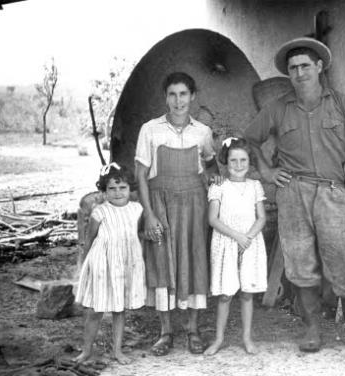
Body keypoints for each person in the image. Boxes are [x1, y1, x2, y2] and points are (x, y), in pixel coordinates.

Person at [245, 37, 345, 353]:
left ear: (319, 66)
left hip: (334, 193)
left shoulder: (342, 103)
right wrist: (268, 172)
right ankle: (311, 329)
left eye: (305, 66)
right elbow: (250, 139)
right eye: (293, 68)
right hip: (293, 193)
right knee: (300, 261)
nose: (299, 73)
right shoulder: (278, 108)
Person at [135, 72, 219, 356]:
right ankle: (165, 332)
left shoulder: (203, 132)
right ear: (165, 97)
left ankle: (193, 330)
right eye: (172, 94)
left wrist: (214, 182)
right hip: (160, 205)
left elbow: (210, 165)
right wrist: (149, 213)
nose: (178, 101)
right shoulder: (150, 129)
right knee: (163, 264)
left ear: (192, 97)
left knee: (194, 260)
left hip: (194, 205)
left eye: (183, 94)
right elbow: (141, 174)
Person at [74, 163, 146, 364]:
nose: (117, 193)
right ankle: (86, 350)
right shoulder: (99, 212)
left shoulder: (137, 209)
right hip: (102, 263)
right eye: (111, 189)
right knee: (96, 309)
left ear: (129, 189)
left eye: (122, 188)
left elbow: (136, 234)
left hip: (125, 263)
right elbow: (90, 240)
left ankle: (117, 350)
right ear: (104, 191)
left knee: (119, 308)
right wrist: (85, 265)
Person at [204, 137, 267, 356]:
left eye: (243, 160)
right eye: (233, 161)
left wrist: (247, 238)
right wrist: (236, 236)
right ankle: (219, 338)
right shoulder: (219, 185)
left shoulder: (254, 186)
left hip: (250, 243)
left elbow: (261, 218)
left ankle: (247, 338)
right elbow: (213, 219)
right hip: (226, 242)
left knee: (247, 293)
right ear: (225, 161)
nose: (238, 165)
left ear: (249, 162)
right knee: (225, 294)